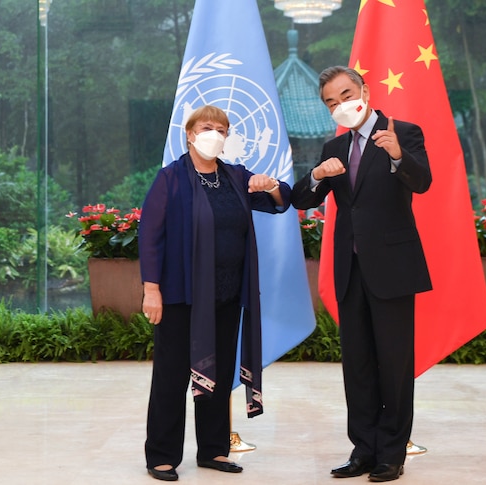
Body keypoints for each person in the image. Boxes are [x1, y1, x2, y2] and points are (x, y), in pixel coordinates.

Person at [291, 66, 432, 482]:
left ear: (365, 91)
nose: (340, 106)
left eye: (346, 95)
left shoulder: (402, 132)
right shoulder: (332, 145)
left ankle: (391, 454)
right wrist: (317, 175)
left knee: (393, 364)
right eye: (331, 103)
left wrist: (396, 156)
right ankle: (363, 451)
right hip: (349, 270)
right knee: (358, 366)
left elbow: (423, 182)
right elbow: (302, 198)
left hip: (392, 268)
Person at [139, 105, 291, 482]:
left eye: (222, 129)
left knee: (218, 376)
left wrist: (269, 185)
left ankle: (213, 450)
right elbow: (150, 235)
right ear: (190, 134)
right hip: (179, 295)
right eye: (207, 127)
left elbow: (282, 200)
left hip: (226, 295)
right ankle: (161, 455)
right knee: (172, 377)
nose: (215, 134)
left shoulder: (236, 176)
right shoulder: (170, 179)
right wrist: (151, 289)